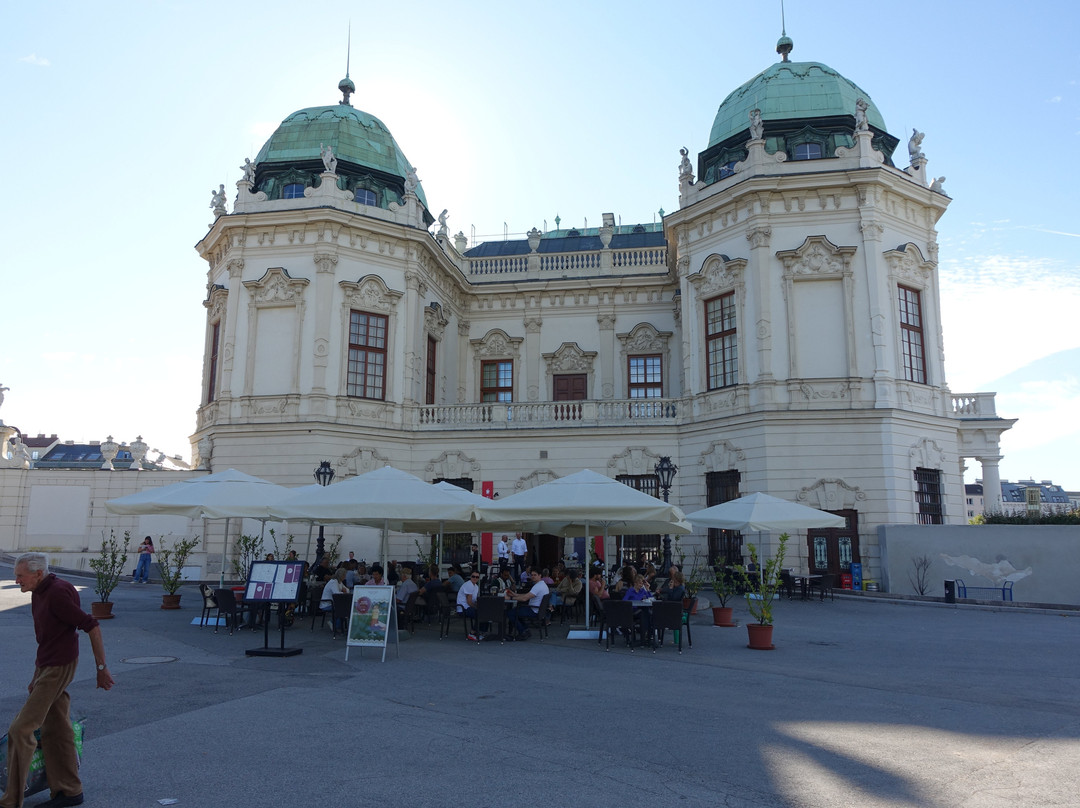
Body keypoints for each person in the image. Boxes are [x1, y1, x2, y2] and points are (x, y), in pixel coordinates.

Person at [1, 553, 114, 808]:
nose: (16, 581)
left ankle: (11, 801)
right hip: (47, 665)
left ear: (38, 573)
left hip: (58, 666)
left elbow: (91, 625)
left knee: (21, 729)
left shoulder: (57, 593)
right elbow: (46, 639)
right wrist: (36, 674)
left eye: (20, 576)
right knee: (56, 728)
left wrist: (101, 668)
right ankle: (70, 791)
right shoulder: (39, 591)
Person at [505, 568, 549, 640]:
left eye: (535, 575)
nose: (533, 577)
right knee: (516, 611)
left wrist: (510, 598)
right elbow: (527, 595)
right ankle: (525, 629)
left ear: (540, 575)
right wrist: (515, 595)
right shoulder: (542, 585)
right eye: (532, 575)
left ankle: (523, 632)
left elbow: (524, 598)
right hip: (539, 610)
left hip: (533, 610)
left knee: (510, 613)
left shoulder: (538, 586)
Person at [457, 571, 481, 640]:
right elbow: (469, 602)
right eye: (473, 576)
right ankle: (472, 633)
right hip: (463, 609)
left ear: (478, 578)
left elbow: (474, 601)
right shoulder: (469, 585)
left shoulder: (476, 587)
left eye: (477, 577)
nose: (475, 578)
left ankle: (480, 631)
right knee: (479, 613)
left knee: (484, 612)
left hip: (468, 607)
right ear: (470, 577)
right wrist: (477, 607)